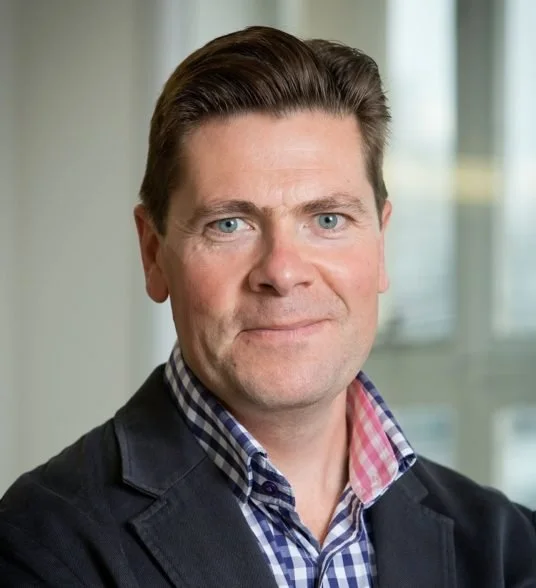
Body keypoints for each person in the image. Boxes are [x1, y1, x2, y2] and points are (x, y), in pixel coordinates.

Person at [0, 25, 535, 588]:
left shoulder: (510, 549)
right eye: (229, 224)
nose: (281, 272)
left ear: (381, 244)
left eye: (327, 219)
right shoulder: (40, 546)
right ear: (153, 253)